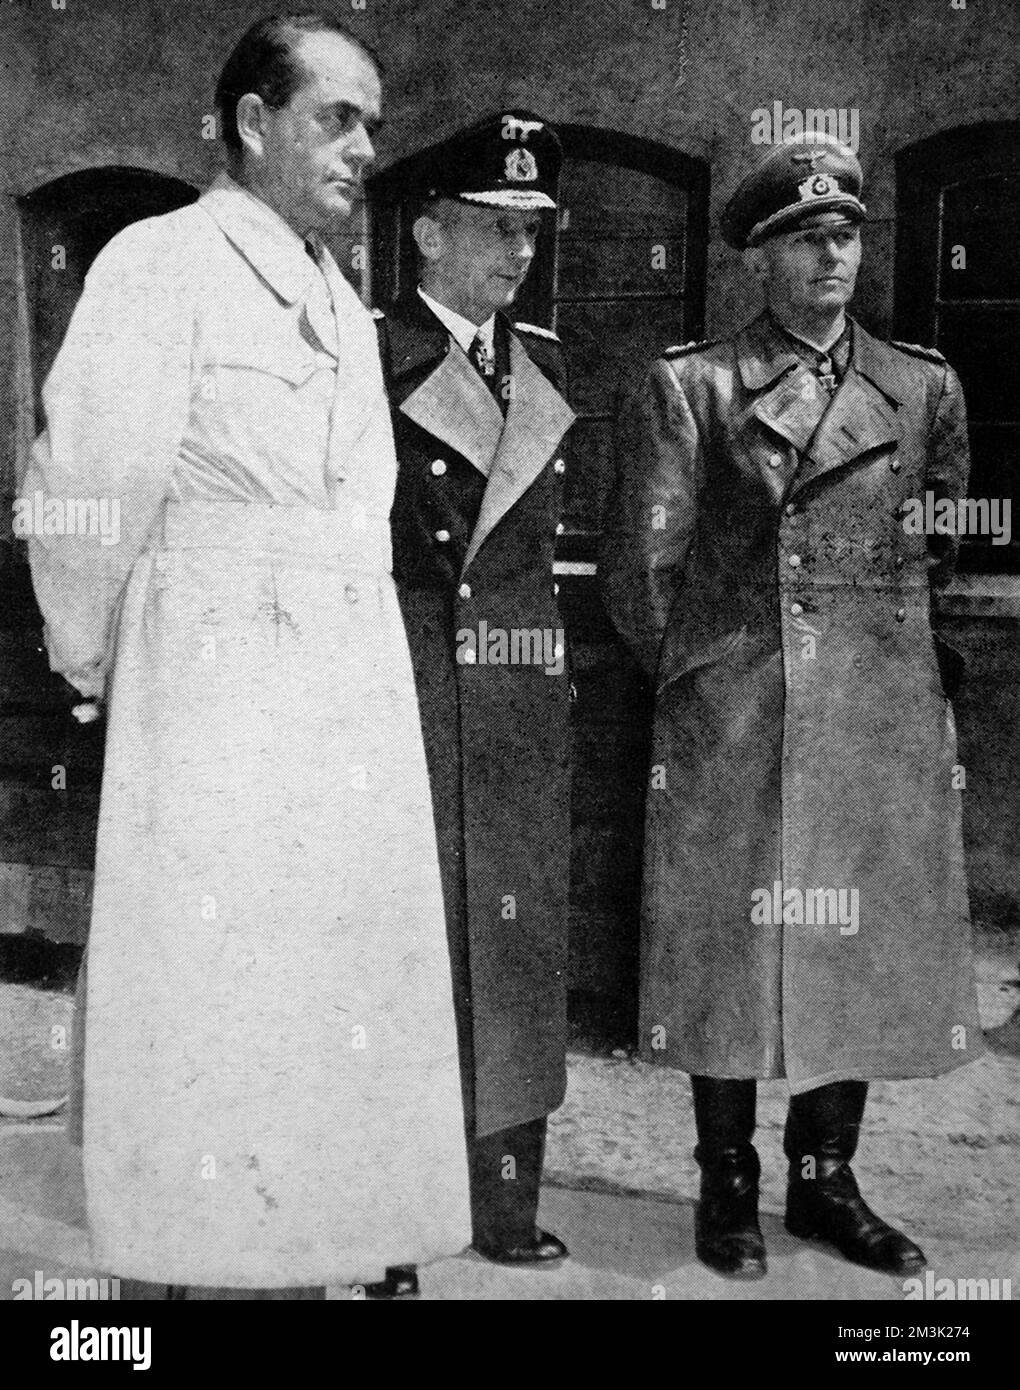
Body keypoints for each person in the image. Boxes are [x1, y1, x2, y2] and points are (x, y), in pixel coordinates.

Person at [22, 13, 470, 1300]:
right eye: (339, 117)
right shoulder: (163, 265)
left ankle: (307, 1262)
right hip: (217, 688)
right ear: (251, 123)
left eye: (375, 123)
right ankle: (194, 1279)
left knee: (332, 992)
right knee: (218, 996)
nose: (365, 148)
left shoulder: (336, 293)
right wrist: (95, 659)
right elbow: (84, 490)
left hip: (344, 694)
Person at [600, 133, 981, 1280]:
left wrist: (872, 669)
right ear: (757, 262)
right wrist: (719, 681)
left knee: (848, 945)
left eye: (847, 233)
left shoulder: (921, 386)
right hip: (738, 713)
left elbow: (941, 547)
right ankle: (727, 1186)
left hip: (870, 716)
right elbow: (641, 573)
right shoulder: (693, 385)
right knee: (729, 948)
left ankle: (826, 1186)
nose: (833, 254)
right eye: (805, 237)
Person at [374, 112, 576, 1264]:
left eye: (532, 233)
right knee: (404, 941)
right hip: (406, 685)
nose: (515, 254)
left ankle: (502, 1200)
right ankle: (391, 1204)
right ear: (430, 233)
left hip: (515, 702)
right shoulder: (370, 353)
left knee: (513, 948)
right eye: (495, 229)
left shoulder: (543, 360)